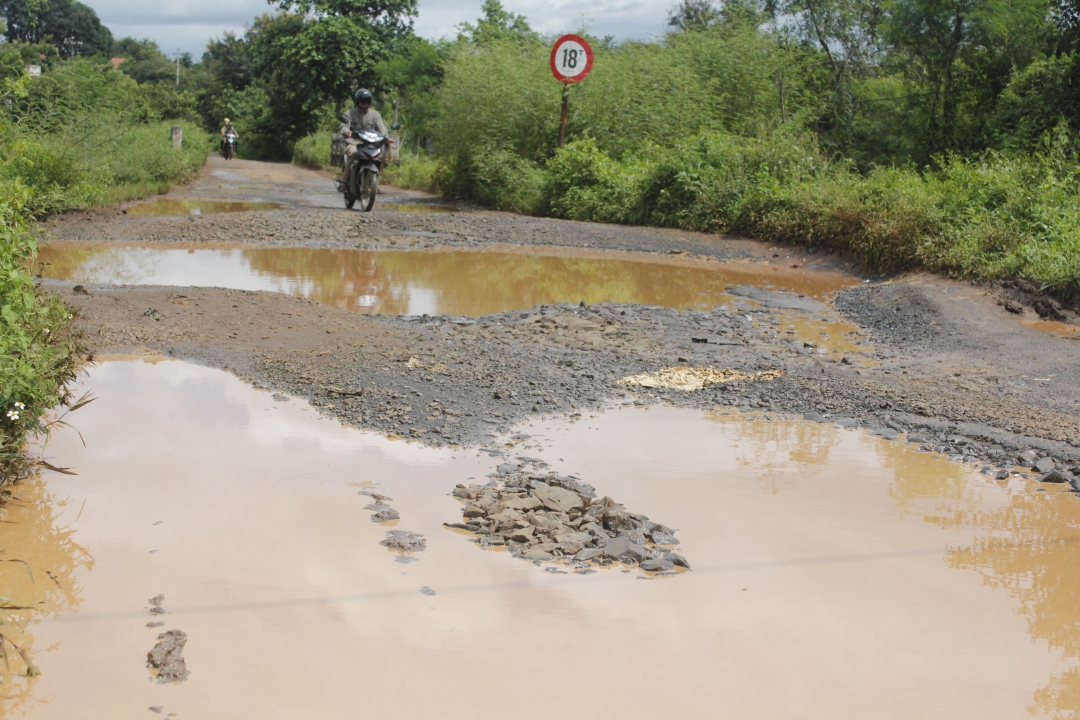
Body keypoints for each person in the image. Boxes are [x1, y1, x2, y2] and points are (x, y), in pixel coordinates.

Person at [339, 89, 392, 181]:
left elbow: (382, 129)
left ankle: (375, 179)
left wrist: (386, 137)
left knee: (380, 154)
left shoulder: (375, 115)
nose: (364, 103)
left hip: (371, 144)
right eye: (362, 101)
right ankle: (344, 182)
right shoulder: (349, 114)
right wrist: (347, 131)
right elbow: (343, 126)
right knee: (354, 152)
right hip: (354, 143)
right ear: (357, 101)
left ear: (369, 102)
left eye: (366, 102)